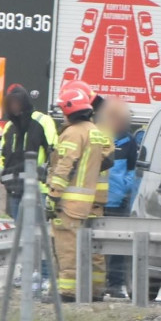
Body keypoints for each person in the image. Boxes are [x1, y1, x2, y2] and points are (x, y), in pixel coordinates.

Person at [46, 82, 112, 302]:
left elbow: (65, 166)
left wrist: (53, 195)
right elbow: (106, 159)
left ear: (68, 110)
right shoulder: (96, 132)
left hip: (70, 204)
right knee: (94, 249)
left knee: (67, 248)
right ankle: (95, 291)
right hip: (92, 201)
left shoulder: (73, 134)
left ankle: (67, 292)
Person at [0, 84, 58, 219]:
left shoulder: (43, 121)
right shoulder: (9, 127)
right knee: (18, 234)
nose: (14, 106)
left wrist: (44, 174)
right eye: (11, 103)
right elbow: (3, 156)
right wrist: (5, 179)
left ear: (24, 102)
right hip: (15, 190)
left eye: (17, 102)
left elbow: (54, 152)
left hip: (38, 189)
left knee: (36, 233)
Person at [100, 99, 138, 299]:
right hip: (97, 200)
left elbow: (133, 170)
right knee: (96, 246)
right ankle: (95, 282)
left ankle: (115, 285)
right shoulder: (97, 136)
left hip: (118, 201)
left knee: (117, 248)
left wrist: (125, 189)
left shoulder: (129, 141)